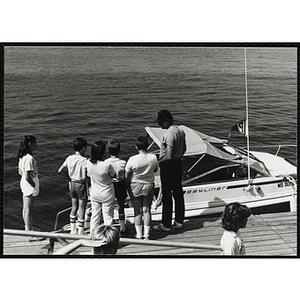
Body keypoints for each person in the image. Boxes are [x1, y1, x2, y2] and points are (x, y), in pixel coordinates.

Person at [152, 109, 186, 232]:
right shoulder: (181, 131)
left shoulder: (169, 134)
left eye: (160, 122)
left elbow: (169, 155)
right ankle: (179, 220)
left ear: (167, 121)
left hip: (168, 165)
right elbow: (184, 149)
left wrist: (159, 162)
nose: (159, 125)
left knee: (167, 195)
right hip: (178, 164)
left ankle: (166, 224)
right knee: (178, 193)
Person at [125, 136, 158, 240]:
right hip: (149, 185)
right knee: (147, 210)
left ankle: (139, 235)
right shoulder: (153, 157)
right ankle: (147, 235)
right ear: (147, 146)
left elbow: (127, 176)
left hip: (135, 186)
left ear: (136, 147)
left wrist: (127, 187)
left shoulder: (132, 159)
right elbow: (155, 169)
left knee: (137, 210)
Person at [58, 137, 88, 235]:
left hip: (72, 184)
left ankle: (73, 230)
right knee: (82, 208)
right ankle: (81, 231)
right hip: (81, 184)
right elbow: (84, 176)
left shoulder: (69, 158)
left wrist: (68, 178)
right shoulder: (84, 160)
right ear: (83, 148)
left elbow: (60, 170)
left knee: (73, 207)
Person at [86, 140, 116, 235]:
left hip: (94, 193)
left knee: (95, 216)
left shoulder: (88, 163)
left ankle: (93, 235)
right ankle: (108, 238)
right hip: (106, 193)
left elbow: (88, 175)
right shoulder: (106, 165)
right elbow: (113, 175)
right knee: (108, 217)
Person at [105, 140, 128, 235]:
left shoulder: (106, 162)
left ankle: (110, 227)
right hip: (121, 184)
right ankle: (122, 227)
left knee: (109, 206)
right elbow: (126, 176)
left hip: (110, 185)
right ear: (119, 151)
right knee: (121, 206)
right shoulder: (123, 162)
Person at [18, 135, 39, 235]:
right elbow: (27, 175)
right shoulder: (29, 158)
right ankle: (30, 232)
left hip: (24, 183)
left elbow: (20, 172)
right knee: (28, 210)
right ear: (30, 144)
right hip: (29, 185)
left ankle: (29, 228)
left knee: (25, 208)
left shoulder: (22, 157)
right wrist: (34, 185)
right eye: (35, 143)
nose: (36, 145)